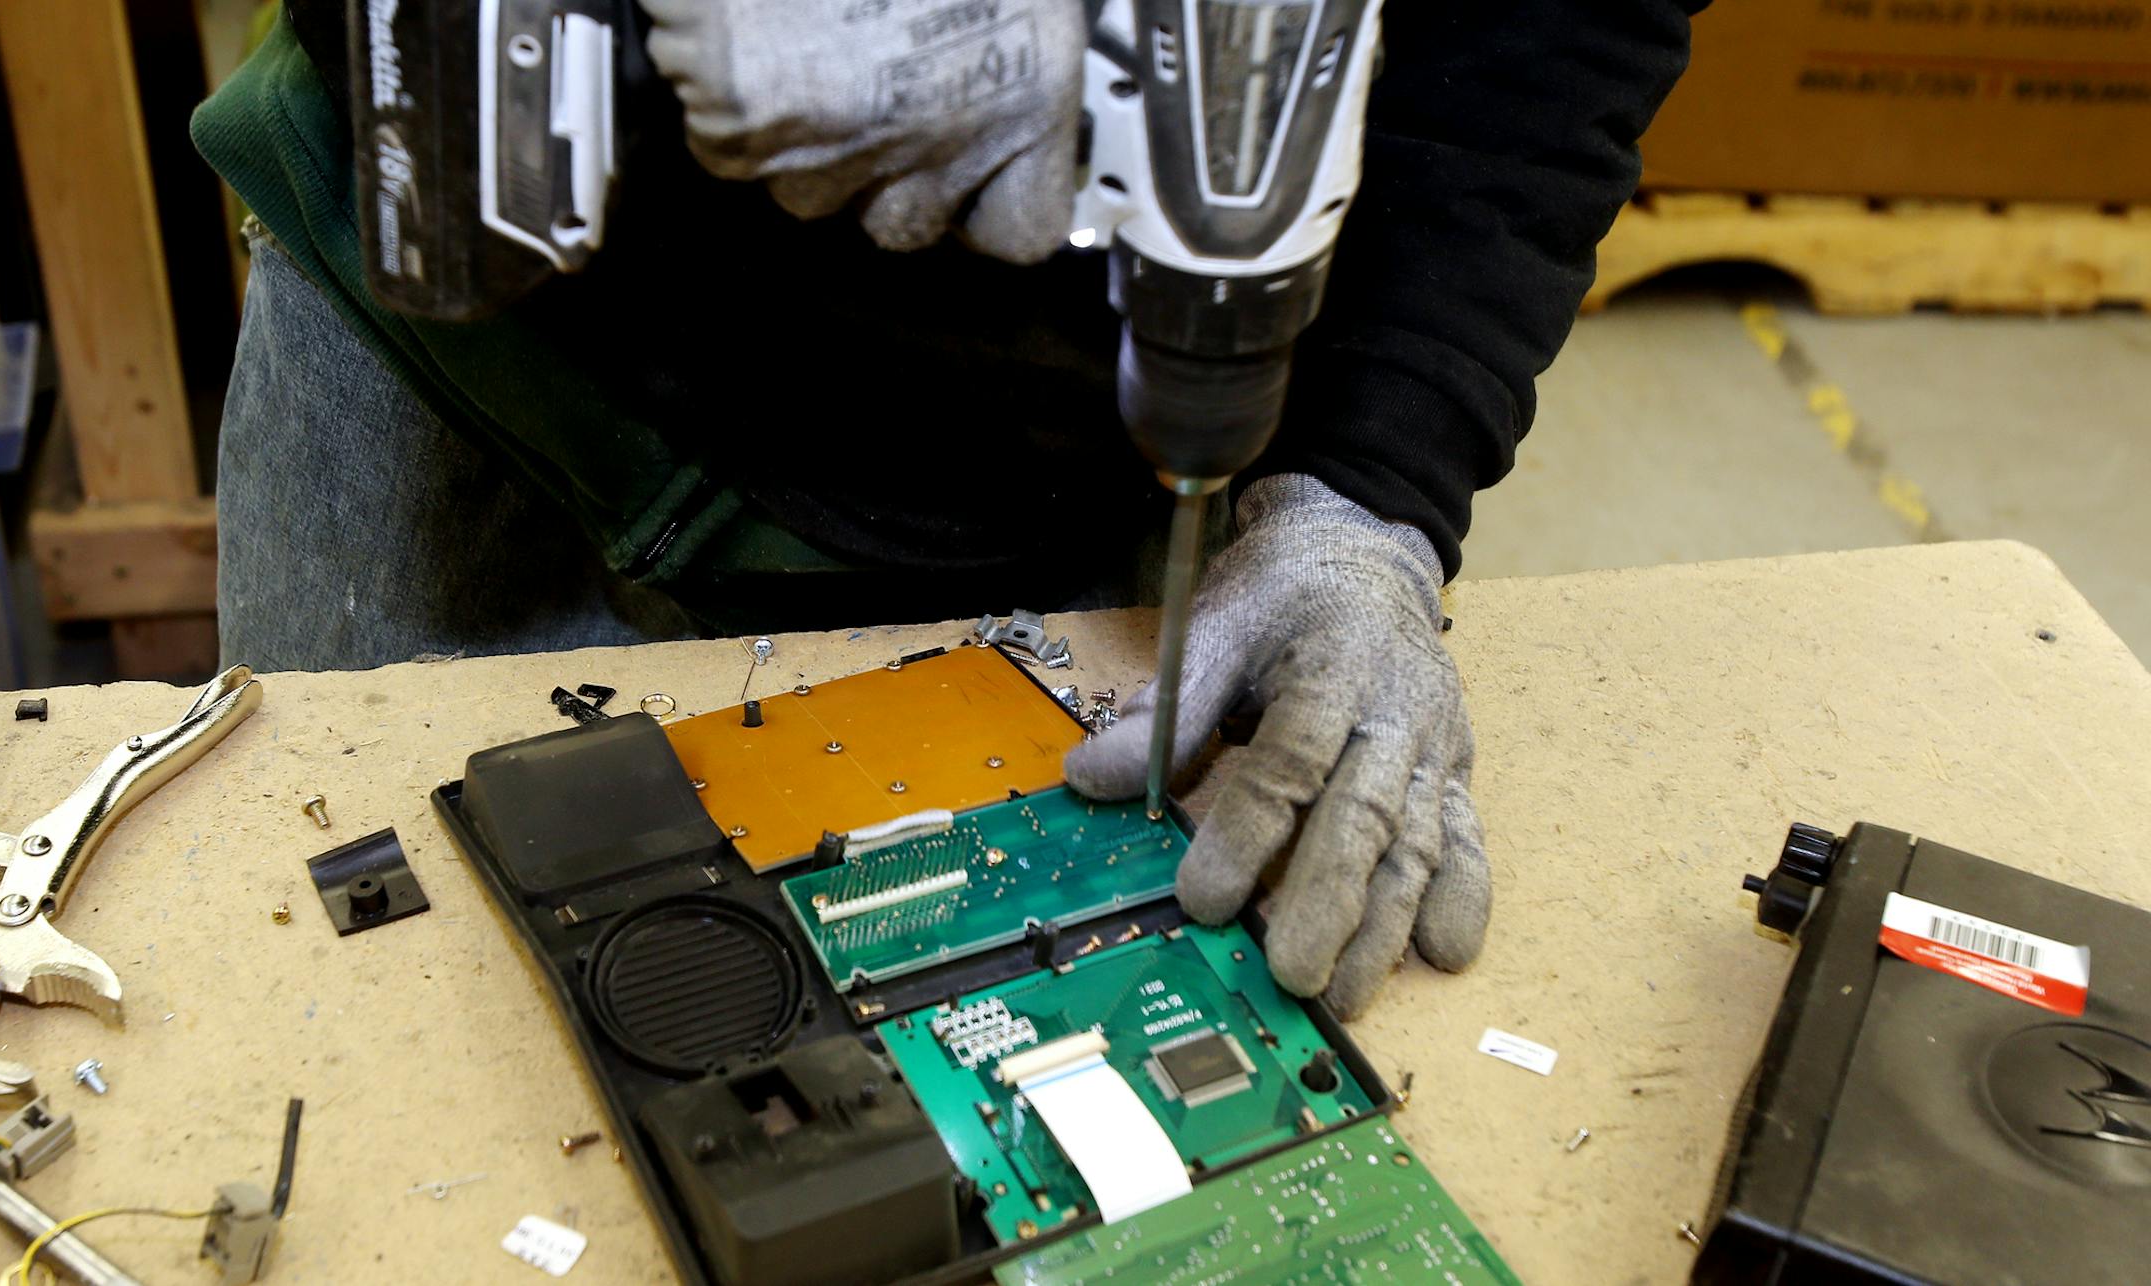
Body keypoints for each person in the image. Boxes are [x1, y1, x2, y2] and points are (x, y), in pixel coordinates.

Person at [192, 0, 1705, 1017]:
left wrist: (1373, 490)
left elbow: (1560, 22)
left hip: (1049, 464)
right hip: (470, 374)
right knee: (363, 1004)